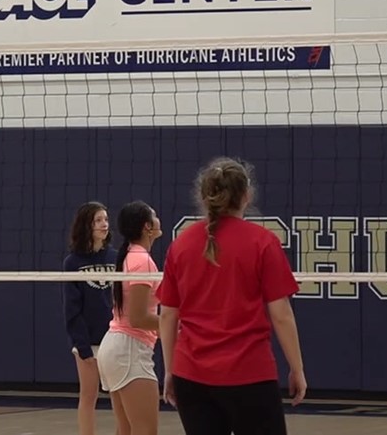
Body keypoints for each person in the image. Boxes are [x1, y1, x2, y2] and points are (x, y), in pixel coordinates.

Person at [156, 157, 306, 435]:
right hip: (249, 374)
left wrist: (169, 370)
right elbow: (281, 315)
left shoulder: (181, 245)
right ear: (246, 195)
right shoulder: (262, 242)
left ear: (204, 197)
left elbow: (167, 315)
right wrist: (297, 368)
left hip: (192, 375)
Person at [96, 201, 162, 435]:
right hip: (129, 350)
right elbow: (138, 318)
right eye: (154, 215)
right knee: (145, 431)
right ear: (147, 226)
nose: (158, 219)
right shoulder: (141, 260)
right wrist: (178, 325)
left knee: (126, 430)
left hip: (118, 347)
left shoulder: (131, 255)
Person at [62, 201, 117, 435]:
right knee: (88, 394)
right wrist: (82, 346)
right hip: (88, 340)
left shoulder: (116, 257)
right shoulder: (73, 262)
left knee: (119, 395)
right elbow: (71, 308)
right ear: (87, 225)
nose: (104, 224)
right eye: (98, 220)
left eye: (106, 219)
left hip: (115, 338)